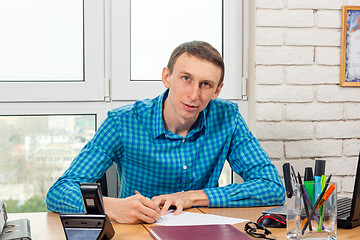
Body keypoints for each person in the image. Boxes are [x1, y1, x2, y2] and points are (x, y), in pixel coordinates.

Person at [46, 40, 285, 224]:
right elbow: (59, 192)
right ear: (167, 77)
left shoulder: (228, 118)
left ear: (217, 90)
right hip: (137, 231)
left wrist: (193, 196)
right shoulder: (123, 122)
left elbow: (271, 187)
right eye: (186, 78)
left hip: (200, 231)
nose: (193, 95)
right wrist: (110, 206)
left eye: (206, 84)